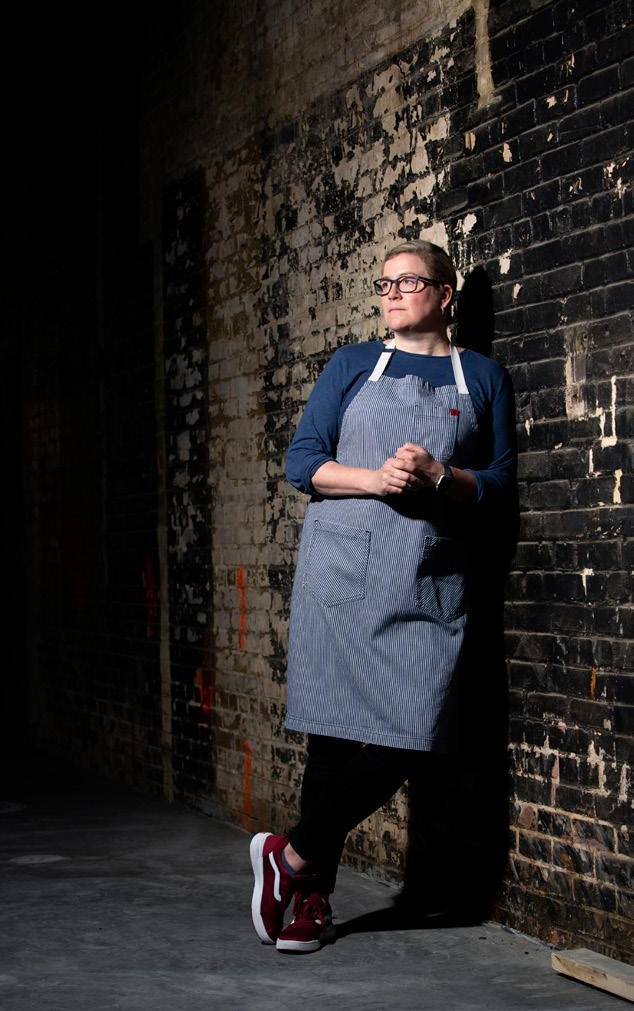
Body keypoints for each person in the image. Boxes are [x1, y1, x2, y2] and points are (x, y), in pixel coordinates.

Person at [249, 240, 516, 954]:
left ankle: (289, 854)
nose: (393, 293)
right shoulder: (352, 364)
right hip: (343, 571)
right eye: (385, 283)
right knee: (333, 736)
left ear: (446, 294)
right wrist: (376, 479)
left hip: (427, 574)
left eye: (409, 281)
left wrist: (440, 476)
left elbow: (498, 483)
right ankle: (311, 903)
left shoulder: (482, 376)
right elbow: (303, 462)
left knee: (414, 731)